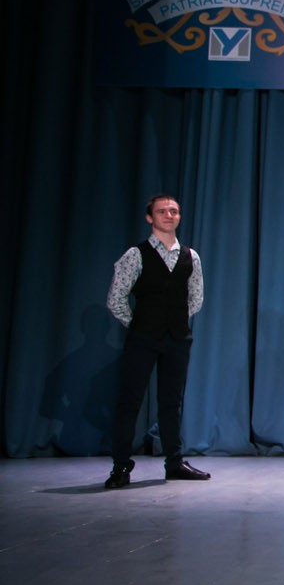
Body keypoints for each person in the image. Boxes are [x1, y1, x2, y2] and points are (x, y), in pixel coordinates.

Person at [104, 194, 210, 488]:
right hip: (143, 338)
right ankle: (120, 467)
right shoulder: (135, 255)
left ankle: (174, 463)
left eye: (174, 211)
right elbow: (116, 298)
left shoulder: (191, 256)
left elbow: (196, 298)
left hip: (177, 339)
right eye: (162, 211)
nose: (169, 215)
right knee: (130, 402)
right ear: (150, 217)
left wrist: (173, 322)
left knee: (171, 403)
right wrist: (140, 325)